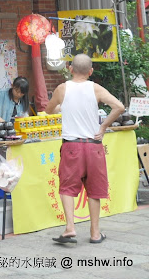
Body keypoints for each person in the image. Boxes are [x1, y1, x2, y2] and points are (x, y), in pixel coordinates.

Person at [45, 53, 124, 245]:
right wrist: (103, 126)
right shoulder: (95, 88)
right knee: (94, 190)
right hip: (94, 146)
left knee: (67, 188)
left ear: (70, 69)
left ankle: (70, 228)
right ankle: (95, 233)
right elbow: (119, 107)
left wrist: (61, 108)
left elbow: (48, 110)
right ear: (91, 71)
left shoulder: (62, 89)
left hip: (72, 147)